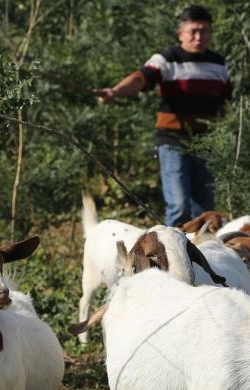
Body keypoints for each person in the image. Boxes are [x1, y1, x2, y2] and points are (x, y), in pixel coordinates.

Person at [94, 5, 232, 228]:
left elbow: (229, 103)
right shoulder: (167, 59)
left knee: (205, 209)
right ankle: (170, 256)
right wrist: (115, 91)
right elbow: (141, 78)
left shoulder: (219, 64)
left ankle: (201, 256)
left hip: (207, 142)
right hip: (173, 141)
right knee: (179, 205)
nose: (199, 37)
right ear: (181, 34)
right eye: (193, 32)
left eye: (204, 31)